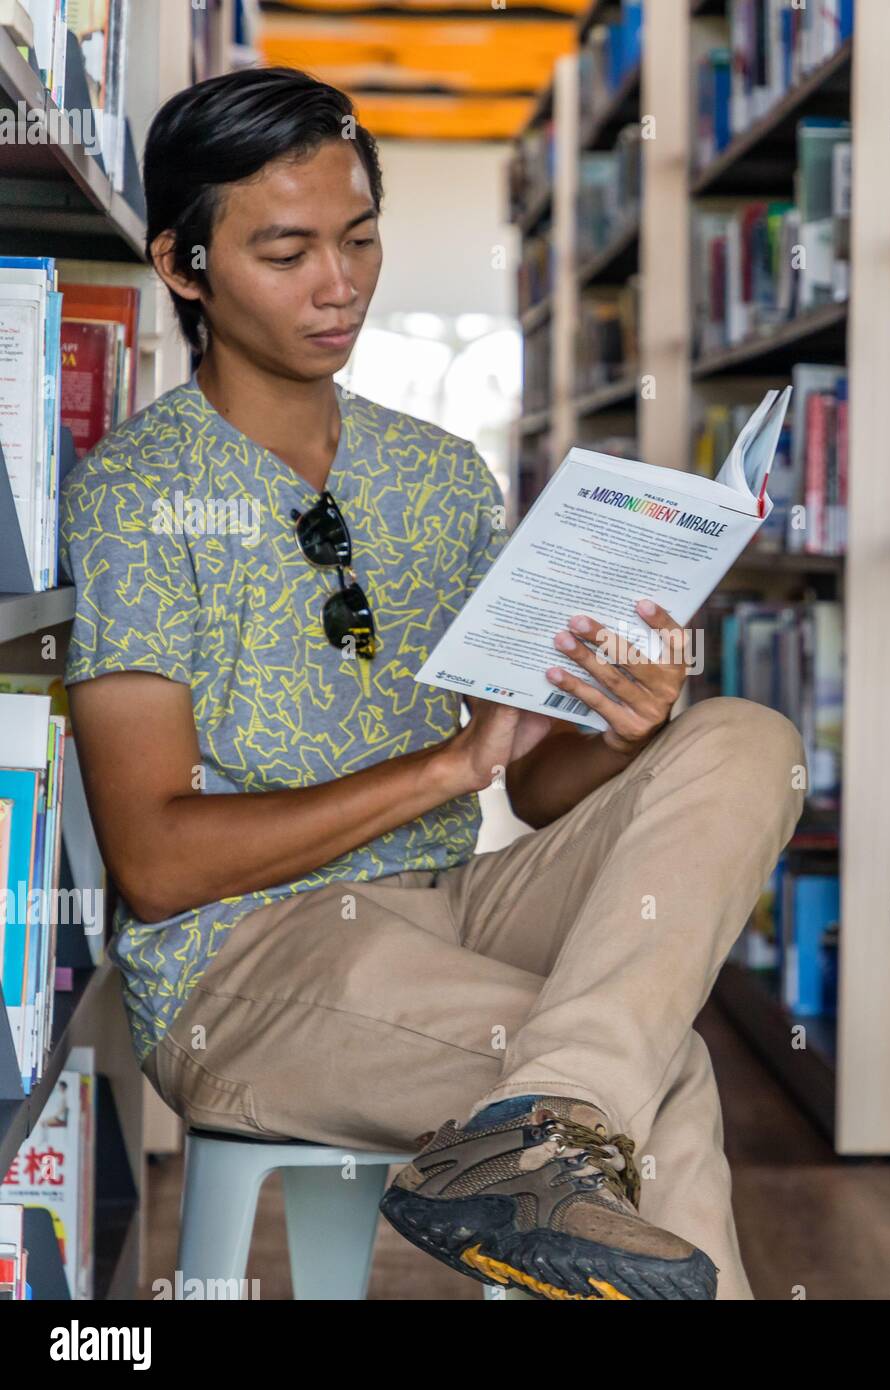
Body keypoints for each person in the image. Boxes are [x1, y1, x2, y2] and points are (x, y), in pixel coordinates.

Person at [59, 66, 805, 1302]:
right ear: (184, 268)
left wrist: (625, 726)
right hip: (242, 967)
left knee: (744, 733)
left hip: (450, 899)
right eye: (286, 251)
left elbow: (545, 783)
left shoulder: (440, 476)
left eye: (359, 238)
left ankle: (536, 1130)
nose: (339, 283)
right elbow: (157, 861)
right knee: (655, 1074)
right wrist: (451, 767)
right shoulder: (138, 498)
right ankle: (549, 1127)